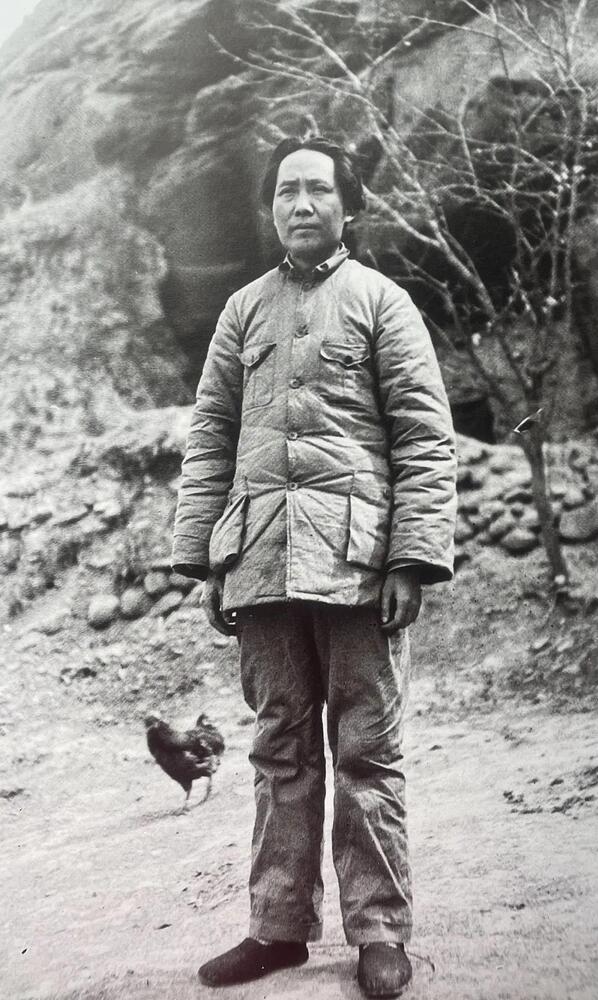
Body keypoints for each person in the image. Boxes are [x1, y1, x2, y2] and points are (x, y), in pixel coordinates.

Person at [171, 135, 457, 998]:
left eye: (318, 190)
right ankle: (277, 928)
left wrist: (412, 556)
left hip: (360, 565)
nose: (301, 204)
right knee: (279, 749)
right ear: (271, 209)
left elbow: (422, 439)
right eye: (286, 191)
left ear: (348, 205)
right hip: (259, 563)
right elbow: (211, 436)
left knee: (367, 750)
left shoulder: (383, 302)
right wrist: (205, 558)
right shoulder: (241, 312)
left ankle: (379, 933)